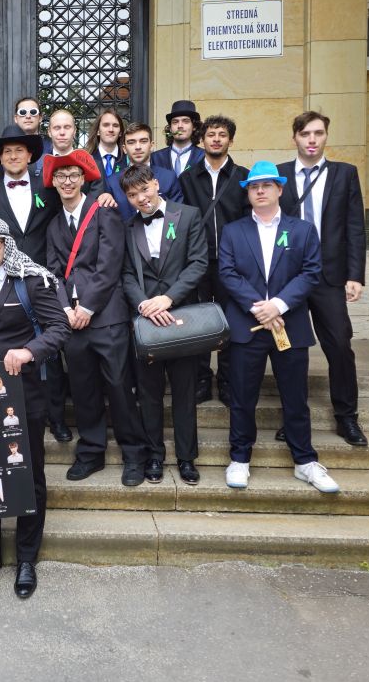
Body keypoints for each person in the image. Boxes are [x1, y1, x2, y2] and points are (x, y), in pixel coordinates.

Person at [0, 217, 70, 599]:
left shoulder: (30, 281)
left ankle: (26, 559)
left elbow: (59, 328)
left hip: (23, 393)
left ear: (7, 245)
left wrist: (28, 351)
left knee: (28, 474)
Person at [218, 160, 339, 493]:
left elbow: (310, 272)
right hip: (248, 327)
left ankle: (305, 462)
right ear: (248, 193)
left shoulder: (302, 230)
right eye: (254, 187)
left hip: (290, 324)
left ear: (279, 189)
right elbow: (227, 273)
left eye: (267, 185)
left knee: (295, 397)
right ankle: (239, 458)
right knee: (242, 398)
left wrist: (279, 305)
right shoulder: (233, 231)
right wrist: (261, 308)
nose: (260, 191)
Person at [44, 150, 146, 486]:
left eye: (73, 175)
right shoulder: (54, 224)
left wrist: (87, 308)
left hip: (106, 316)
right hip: (72, 320)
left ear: (84, 179)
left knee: (119, 386)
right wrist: (65, 310)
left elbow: (110, 264)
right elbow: (53, 274)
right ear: (53, 182)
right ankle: (90, 451)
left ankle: (134, 454)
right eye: (61, 176)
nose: (67, 181)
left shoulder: (104, 211)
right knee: (83, 389)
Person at [276, 111, 369, 448]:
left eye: (318, 133)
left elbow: (355, 227)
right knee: (289, 350)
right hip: (289, 277)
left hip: (329, 275)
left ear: (326, 136)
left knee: (340, 345)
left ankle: (347, 417)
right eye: (305, 134)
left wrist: (355, 275)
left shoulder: (345, 174)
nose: (312, 140)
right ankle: (293, 418)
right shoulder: (280, 175)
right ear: (295, 138)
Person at [0, 124, 71, 443]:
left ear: (30, 155)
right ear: (0, 158)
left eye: (19, 150)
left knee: (49, 351)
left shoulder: (47, 187)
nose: (14, 156)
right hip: (6, 280)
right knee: (17, 347)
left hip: (41, 277)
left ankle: (56, 418)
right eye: (7, 152)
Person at [120, 164, 209, 485]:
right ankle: (154, 455)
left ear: (156, 184)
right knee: (149, 392)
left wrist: (168, 298)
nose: (141, 198)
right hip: (146, 320)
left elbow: (198, 262)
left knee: (185, 391)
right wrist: (144, 304)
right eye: (133, 195)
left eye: (144, 189)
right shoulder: (128, 227)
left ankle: (186, 458)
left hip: (181, 316)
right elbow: (126, 273)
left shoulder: (188, 216)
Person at [178, 115, 249, 406]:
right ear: (202, 139)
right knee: (199, 322)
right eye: (211, 134)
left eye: (222, 134)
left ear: (231, 140)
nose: (216, 139)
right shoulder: (188, 178)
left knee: (231, 322)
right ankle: (202, 380)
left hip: (233, 264)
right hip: (198, 261)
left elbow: (248, 220)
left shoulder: (243, 176)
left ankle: (228, 380)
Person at [105, 122, 184, 222]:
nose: (138, 147)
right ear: (124, 149)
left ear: (152, 145)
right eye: (131, 142)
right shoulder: (112, 182)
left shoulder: (168, 177)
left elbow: (178, 215)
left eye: (143, 141)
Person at [150, 99, 205, 177]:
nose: (180, 126)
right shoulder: (156, 157)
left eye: (185, 121)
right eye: (175, 122)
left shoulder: (204, 156)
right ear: (170, 128)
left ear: (194, 127)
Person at [85, 108, 126, 179]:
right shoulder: (86, 159)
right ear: (98, 131)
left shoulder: (127, 159)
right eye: (106, 125)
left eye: (115, 126)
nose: (111, 130)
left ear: (120, 132)